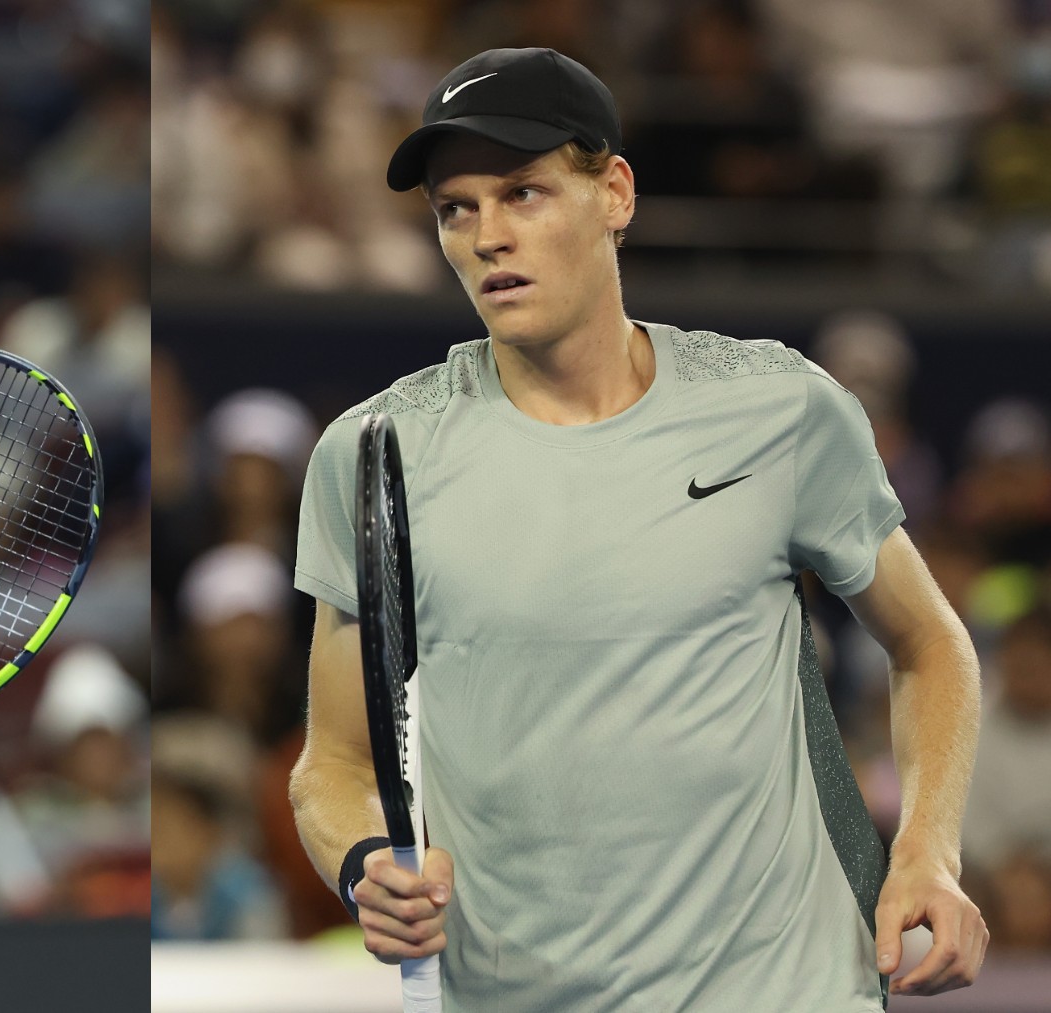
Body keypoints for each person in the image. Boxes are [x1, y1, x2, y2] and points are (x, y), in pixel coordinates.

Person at [288, 47, 988, 1010]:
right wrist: (364, 859)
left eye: (523, 193)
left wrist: (928, 852)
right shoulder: (372, 455)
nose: (488, 234)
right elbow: (332, 765)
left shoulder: (781, 410)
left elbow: (930, 645)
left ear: (613, 192)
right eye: (457, 208)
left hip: (785, 983)